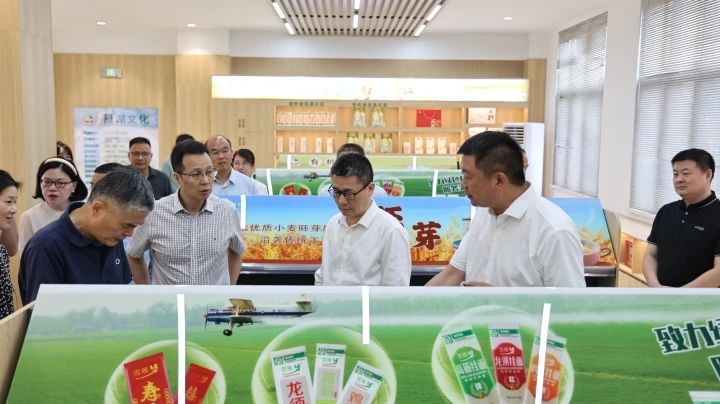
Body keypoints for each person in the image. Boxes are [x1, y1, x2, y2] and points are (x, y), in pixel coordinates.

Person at [426, 131, 585, 287]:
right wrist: (414, 300)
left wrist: (501, 299)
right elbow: (453, 274)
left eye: (468, 176)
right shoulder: (485, 213)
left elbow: (571, 302)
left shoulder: (554, 231)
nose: (463, 184)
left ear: (499, 180)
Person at [19, 167, 154, 304]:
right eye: (127, 225)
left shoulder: (112, 238)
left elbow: (122, 297)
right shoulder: (46, 246)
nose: (130, 234)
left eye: (135, 226)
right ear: (97, 208)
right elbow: (43, 313)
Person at [127, 140, 245, 285]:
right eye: (196, 174)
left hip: (214, 299)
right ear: (177, 178)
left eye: (209, 172)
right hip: (169, 300)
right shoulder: (154, 213)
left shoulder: (227, 211)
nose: (205, 180)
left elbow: (237, 251)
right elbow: (134, 254)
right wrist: (147, 291)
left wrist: (228, 289)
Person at [314, 153, 411, 286]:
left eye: (349, 193)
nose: (341, 201)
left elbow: (396, 291)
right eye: (336, 192)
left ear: (370, 189)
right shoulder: (333, 224)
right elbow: (323, 276)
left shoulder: (391, 231)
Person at [643, 148, 720, 288]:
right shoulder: (666, 211)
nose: (679, 179)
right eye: (675, 174)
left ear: (708, 175)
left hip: (703, 301)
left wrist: (679, 295)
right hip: (660, 296)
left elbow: (718, 272)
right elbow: (651, 255)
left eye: (685, 173)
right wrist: (655, 286)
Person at [18, 157, 89, 253]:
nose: (52, 188)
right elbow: (26, 256)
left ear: (74, 185)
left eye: (60, 183)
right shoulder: (29, 217)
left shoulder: (85, 213)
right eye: (47, 182)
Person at [318, 143, 387, 197]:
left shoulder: (378, 193)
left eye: (353, 162)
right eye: (343, 162)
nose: (348, 167)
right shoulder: (325, 193)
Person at [0, 171, 20, 318]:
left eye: (15, 202)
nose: (14, 209)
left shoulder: (2, 250)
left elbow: (12, 249)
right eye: (8, 202)